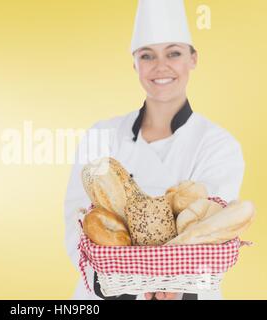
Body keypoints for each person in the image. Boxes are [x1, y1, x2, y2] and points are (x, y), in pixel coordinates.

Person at [63, 0, 245, 300]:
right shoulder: (100, 135)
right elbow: (77, 221)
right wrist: (112, 285)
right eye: (147, 56)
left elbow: (212, 230)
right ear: (134, 63)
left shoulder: (218, 144)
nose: (161, 67)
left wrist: (174, 287)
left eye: (173, 53)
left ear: (193, 59)